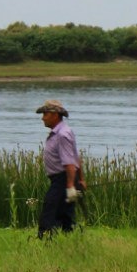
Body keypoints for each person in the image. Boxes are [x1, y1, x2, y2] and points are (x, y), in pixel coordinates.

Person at [36, 99, 85, 237]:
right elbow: (76, 157)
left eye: (45, 114)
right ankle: (68, 241)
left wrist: (70, 185)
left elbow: (69, 163)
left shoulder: (62, 135)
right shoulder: (63, 132)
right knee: (65, 216)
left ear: (55, 115)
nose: (42, 118)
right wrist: (80, 180)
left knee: (49, 214)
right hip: (65, 179)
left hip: (62, 180)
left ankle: (45, 243)